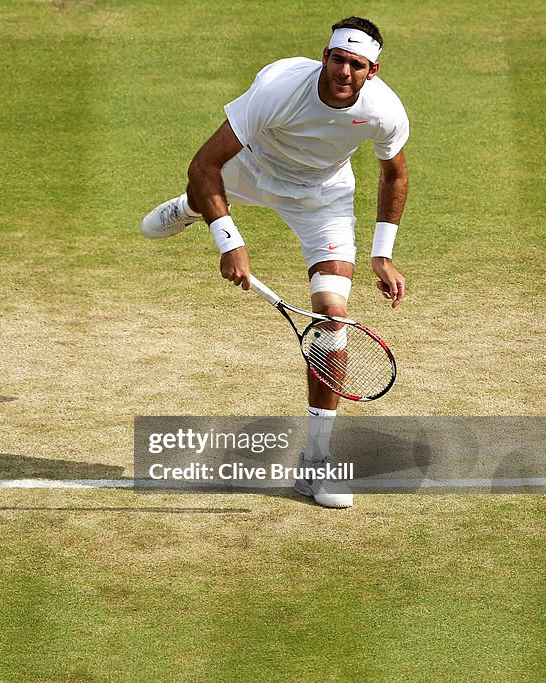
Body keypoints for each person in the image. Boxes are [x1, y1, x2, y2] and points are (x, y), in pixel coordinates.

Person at [140, 17, 409, 509]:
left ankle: (315, 461)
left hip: (322, 198)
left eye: (356, 64)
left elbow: (394, 174)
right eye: (337, 59)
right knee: (205, 188)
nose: (343, 71)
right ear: (323, 55)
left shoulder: (385, 111)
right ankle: (192, 209)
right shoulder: (280, 85)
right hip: (252, 170)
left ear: (372, 71)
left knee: (333, 320)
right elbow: (204, 163)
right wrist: (229, 242)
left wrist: (382, 253)